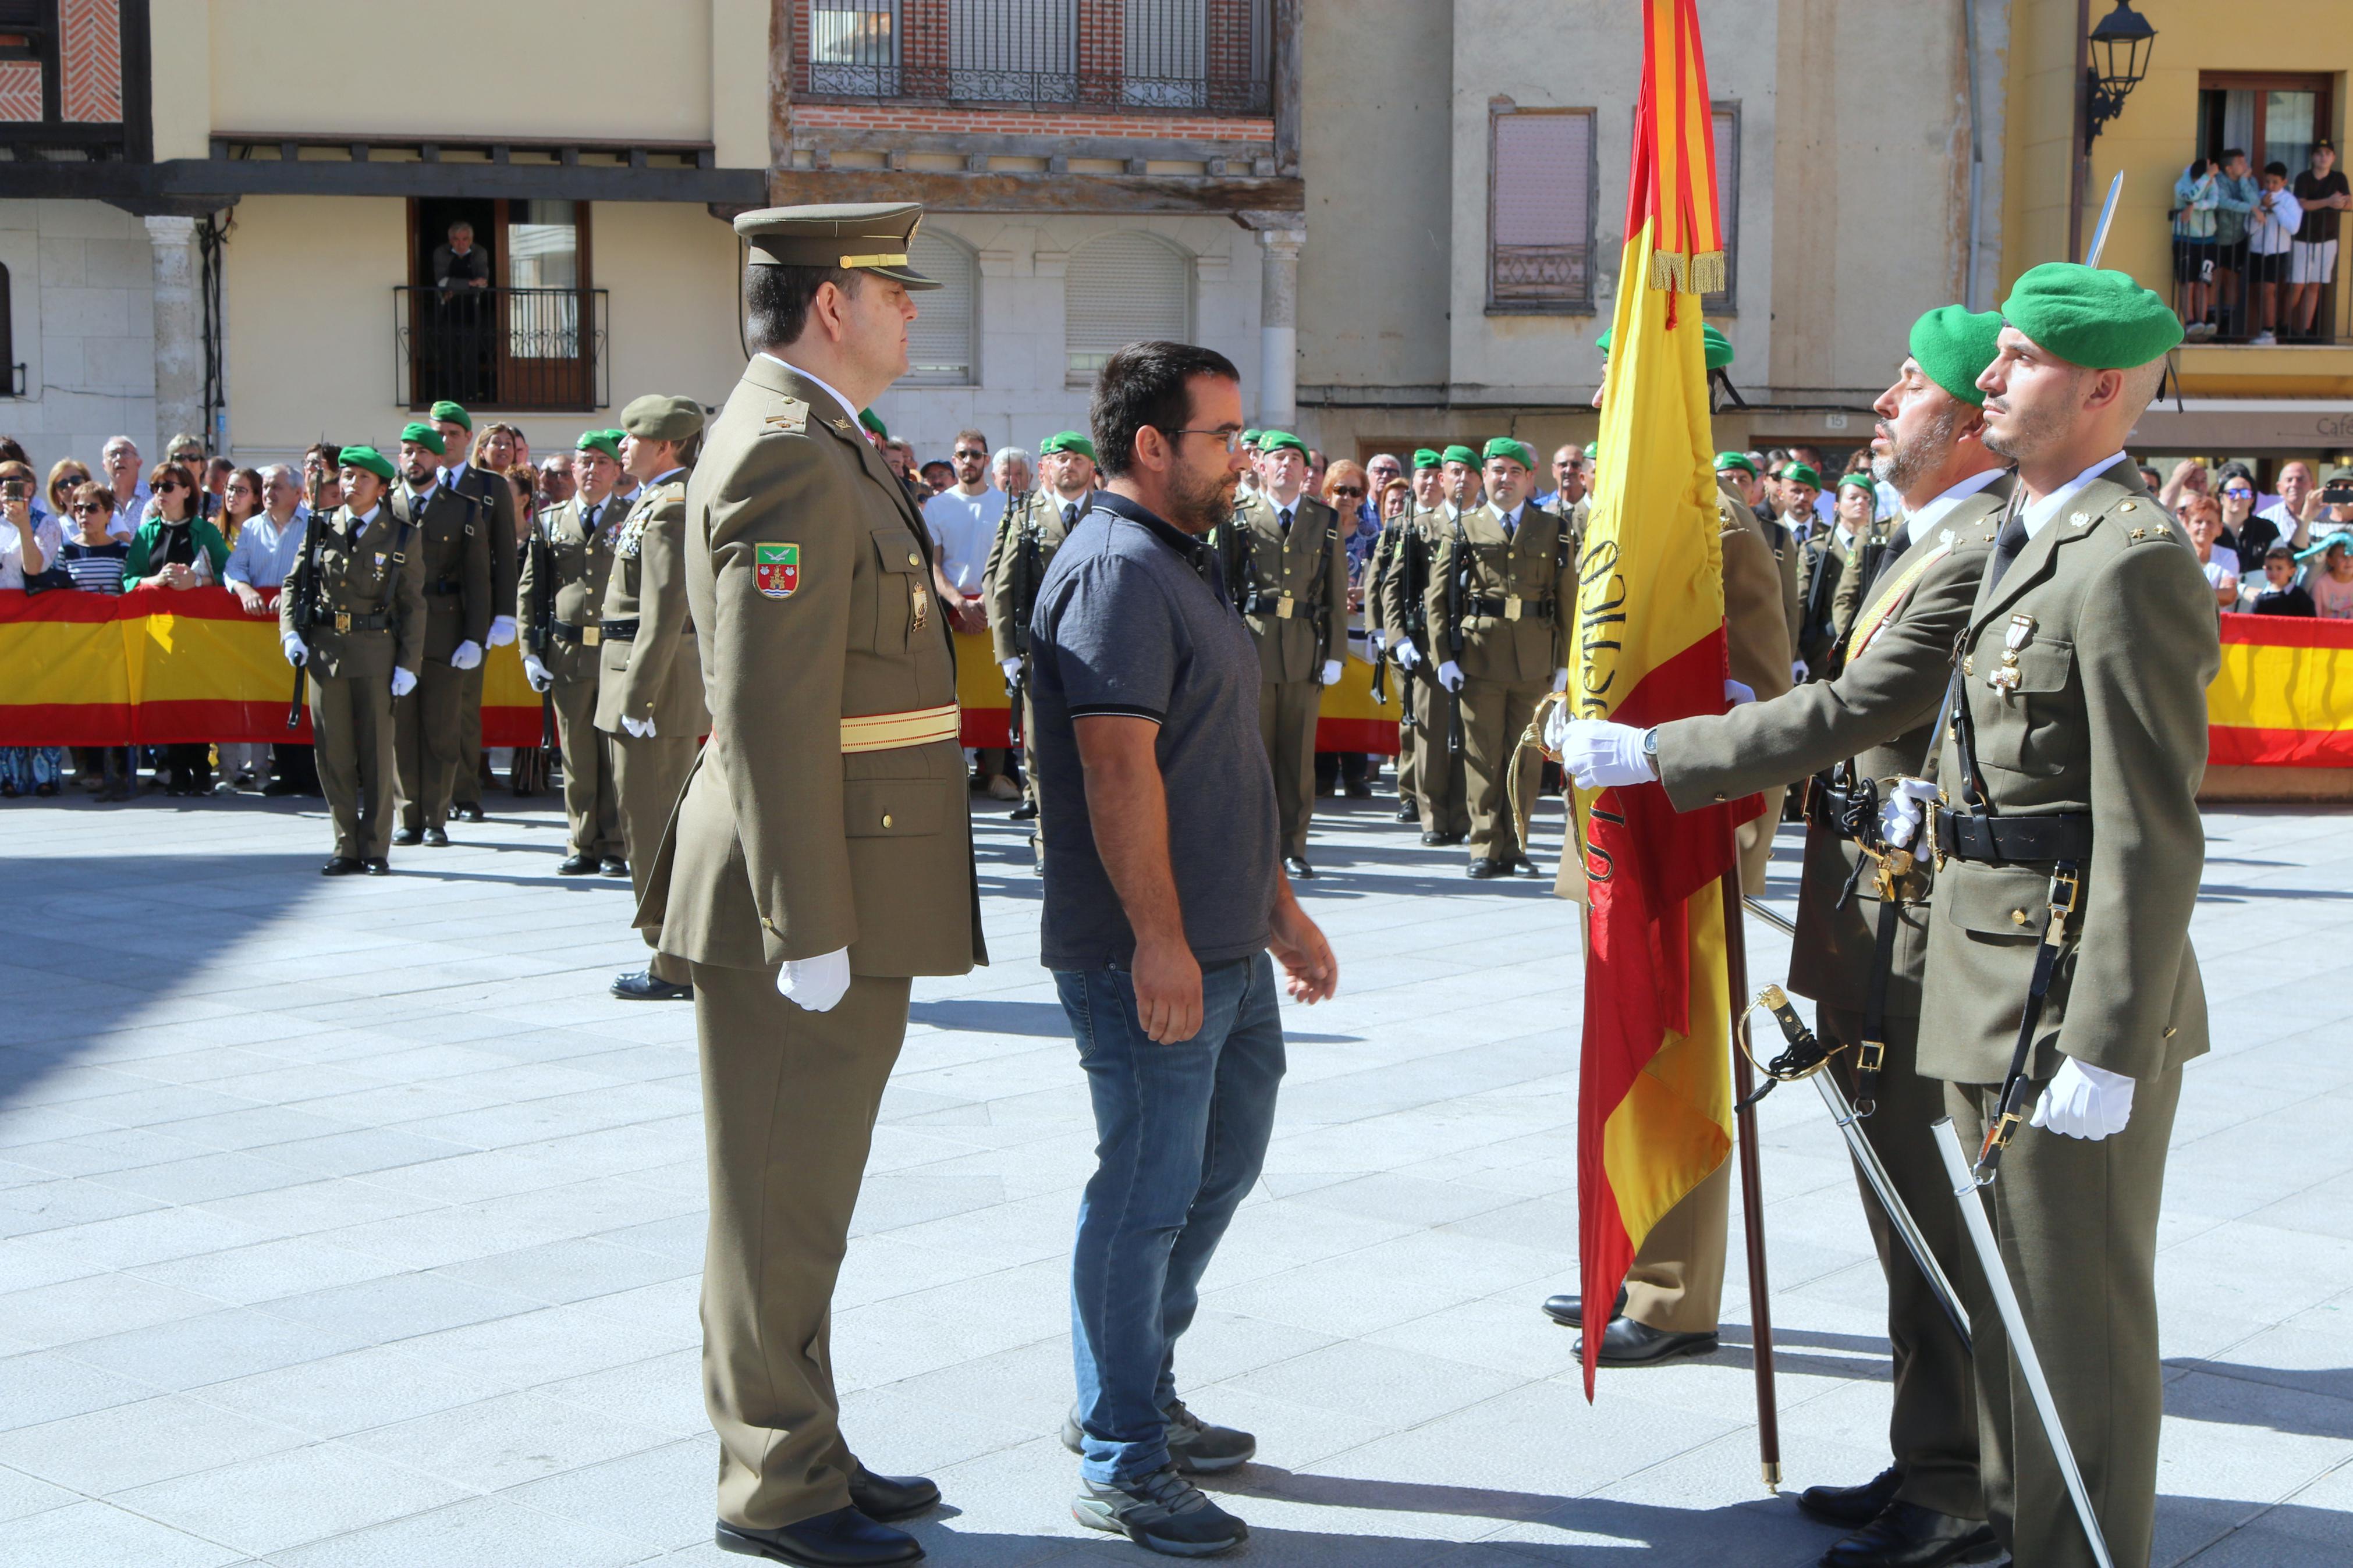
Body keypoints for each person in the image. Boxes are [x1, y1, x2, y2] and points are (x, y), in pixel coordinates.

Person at [1556, 303, 2013, 1568]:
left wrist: (1656, 754)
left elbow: (1847, 701)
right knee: (1901, 1222)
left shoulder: (1975, 543)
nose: (1879, 399)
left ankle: (1963, 1489)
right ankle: (1930, 1463)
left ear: (1973, 418)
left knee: (1933, 1218)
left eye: (1908, 383)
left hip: (1931, 940)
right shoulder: (1927, 540)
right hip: (1874, 926)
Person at [636, 202, 979, 1568]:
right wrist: (807, 926)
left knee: (807, 1193)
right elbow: (769, 711)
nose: (912, 312)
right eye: (894, 290)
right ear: (830, 304)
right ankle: (774, 1482)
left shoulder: (822, 438)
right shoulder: (784, 452)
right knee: (776, 1195)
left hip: (838, 867)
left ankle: (806, 1434)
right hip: (804, 889)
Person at [1921, 262, 2212, 1568]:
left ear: (2099, 389)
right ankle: (2018, 1533)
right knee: (2013, 1317)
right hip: (1989, 976)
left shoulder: (2127, 562)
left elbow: (2150, 830)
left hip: (2061, 1004)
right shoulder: (2028, 530)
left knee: (2074, 1333)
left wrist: (2102, 1042)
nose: (1988, 371)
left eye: (2019, 357)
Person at [1030, 338, 1335, 1558]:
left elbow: (1213, 764)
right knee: (1144, 1196)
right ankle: (1120, 1457)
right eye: (1222, 437)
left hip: (1224, 944)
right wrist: (1157, 940)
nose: (1242, 459)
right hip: (1143, 954)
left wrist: (1274, 910)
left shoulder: (1181, 561)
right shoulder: (1112, 570)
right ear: (1150, 446)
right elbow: (1116, 775)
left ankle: (1134, 1384)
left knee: (1217, 1170)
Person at [598, 394, 709, 1004]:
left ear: (666, 446)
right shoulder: (657, 499)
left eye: (632, 438)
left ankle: (674, 962)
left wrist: (639, 700)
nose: (622, 447)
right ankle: (674, 953)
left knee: (654, 827)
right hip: (638, 681)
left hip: (653, 692)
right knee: (648, 822)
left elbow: (665, 613)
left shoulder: (670, 506)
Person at [1424, 438, 1568, 879]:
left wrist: (1563, 664)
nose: (1504, 479)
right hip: (1479, 657)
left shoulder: (1552, 527)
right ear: (1482, 477)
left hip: (1533, 660)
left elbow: (1567, 599)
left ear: (1529, 478)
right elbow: (1437, 597)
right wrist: (1443, 656)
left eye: (1514, 471)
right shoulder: (1464, 526)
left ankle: (1517, 847)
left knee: (1525, 758)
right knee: (1482, 755)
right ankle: (1484, 845)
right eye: (1496, 471)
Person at [281, 447, 426, 874]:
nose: (352, 483)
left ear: (382, 487)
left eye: (363, 477)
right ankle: (345, 843)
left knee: (377, 753)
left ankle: (376, 845)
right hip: (327, 653)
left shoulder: (401, 536)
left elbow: (413, 606)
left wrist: (408, 663)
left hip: (376, 651)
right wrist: (291, 631)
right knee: (334, 753)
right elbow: (294, 584)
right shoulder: (321, 527)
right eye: (346, 475)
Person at [1218, 429, 1346, 878]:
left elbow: (1332, 590)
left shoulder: (1324, 519)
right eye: (1278, 459)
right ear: (1261, 466)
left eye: (1295, 459)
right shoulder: (1237, 516)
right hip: (1251, 645)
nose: (1286, 466)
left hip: (1303, 650)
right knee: (1251, 755)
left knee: (1296, 758)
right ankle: (1250, 845)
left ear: (1306, 471)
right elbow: (1223, 588)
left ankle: (1293, 846)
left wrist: (1335, 653)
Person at [520, 430, 629, 877]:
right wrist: (530, 650)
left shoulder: (632, 517)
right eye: (583, 462)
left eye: (601, 463)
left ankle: (615, 844)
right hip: (566, 652)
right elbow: (531, 588)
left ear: (617, 471)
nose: (591, 470)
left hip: (615, 651)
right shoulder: (549, 521)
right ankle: (581, 842)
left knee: (613, 754)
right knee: (577, 755)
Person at [982, 429, 1097, 831]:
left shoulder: (1106, 513)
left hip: (1097, 654)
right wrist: (1007, 653)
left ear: (1092, 468)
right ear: (1047, 468)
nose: (1070, 466)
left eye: (1078, 459)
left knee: (1094, 746)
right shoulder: (1025, 517)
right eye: (1062, 459)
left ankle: (1090, 835)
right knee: (1042, 748)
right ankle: (1049, 838)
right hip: (1042, 651)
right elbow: (1000, 586)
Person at [384, 424, 489, 847]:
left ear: (437, 459)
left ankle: (436, 816)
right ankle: (408, 815)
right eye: (407, 452)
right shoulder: (386, 506)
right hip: (395, 628)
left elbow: (478, 580)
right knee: (401, 726)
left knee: (442, 727)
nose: (414, 460)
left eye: (422, 453)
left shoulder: (463, 509)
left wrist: (474, 636)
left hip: (446, 626)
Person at [431, 402, 522, 824]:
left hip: (471, 612)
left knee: (463, 708)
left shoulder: (489, 486)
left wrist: (505, 613)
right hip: (424, 612)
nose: (445, 440)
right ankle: (425, 794)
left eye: (453, 432)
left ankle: (464, 793)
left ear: (469, 439)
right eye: (438, 432)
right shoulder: (411, 483)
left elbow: (504, 554)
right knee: (418, 705)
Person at [123, 460, 229, 796]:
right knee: (167, 701)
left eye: (168, 487)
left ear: (187, 491)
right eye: (156, 487)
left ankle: (201, 769)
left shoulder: (206, 531)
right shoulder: (146, 533)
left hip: (199, 635)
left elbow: (229, 576)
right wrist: (153, 581)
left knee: (197, 702)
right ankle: (176, 770)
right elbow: (128, 580)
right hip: (159, 634)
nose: (160, 494)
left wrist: (195, 580)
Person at [1382, 447, 1471, 845]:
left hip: (1474, 641)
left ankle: (1465, 816)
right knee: (1431, 732)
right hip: (1427, 643)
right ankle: (1434, 818)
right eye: (1454, 473)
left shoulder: (1482, 524)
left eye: (1470, 473)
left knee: (1469, 734)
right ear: (1441, 480)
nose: (1462, 481)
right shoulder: (1417, 526)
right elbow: (1392, 586)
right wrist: (1398, 638)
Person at [925, 427, 1016, 801]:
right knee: (954, 692)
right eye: (962, 454)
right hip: (951, 610)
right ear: (954, 458)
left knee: (997, 693)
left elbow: (1009, 562)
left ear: (987, 460)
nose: (968, 461)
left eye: (976, 455)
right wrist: (959, 604)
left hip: (993, 607)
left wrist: (986, 605)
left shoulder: (1005, 504)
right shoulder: (939, 506)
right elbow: (933, 565)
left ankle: (996, 774)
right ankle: (955, 772)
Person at [226, 465, 320, 797]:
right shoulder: (252, 527)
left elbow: (320, 570)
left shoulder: (314, 525)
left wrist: (292, 592)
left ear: (298, 493)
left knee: (302, 698)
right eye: (265, 486)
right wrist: (243, 588)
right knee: (273, 699)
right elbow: (234, 567)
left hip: (301, 628)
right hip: (260, 632)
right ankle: (288, 775)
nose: (268, 493)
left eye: (276, 486)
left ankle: (312, 776)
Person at [55, 482, 134, 799]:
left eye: (91, 508)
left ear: (109, 514)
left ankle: (123, 767)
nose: (83, 515)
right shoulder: (67, 551)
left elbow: (129, 591)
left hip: (116, 642)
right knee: (88, 705)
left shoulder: (122, 551)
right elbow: (60, 596)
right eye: (78, 508)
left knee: (117, 704)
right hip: (81, 644)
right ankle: (94, 768)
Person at [0, 464, 64, 799]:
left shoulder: (46, 523)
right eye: (1, 482)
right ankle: (7, 775)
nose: (7, 488)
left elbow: (35, 567)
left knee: (38, 696)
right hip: (2, 626)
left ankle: (44, 774)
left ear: (31, 487)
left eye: (15, 482)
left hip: (35, 622)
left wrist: (23, 525)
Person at [2289, 140, 2349, 340]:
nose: (2323, 157)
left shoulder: (2339, 178)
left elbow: (2348, 203)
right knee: (2297, 285)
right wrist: (2330, 202)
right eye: (2319, 153)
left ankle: (2303, 331)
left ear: (2334, 157)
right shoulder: (2304, 178)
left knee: (2315, 285)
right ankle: (2284, 324)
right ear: (2312, 157)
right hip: (2302, 239)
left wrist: (2338, 203)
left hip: (2328, 240)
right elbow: (2302, 204)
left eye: (2328, 153)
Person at [2245, 162, 2304, 346]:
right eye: (2268, 181)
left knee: (2268, 290)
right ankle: (2260, 330)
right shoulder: (2258, 198)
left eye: (2275, 183)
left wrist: (2275, 208)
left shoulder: (2289, 201)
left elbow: (2294, 228)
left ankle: (2269, 333)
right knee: (2256, 291)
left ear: (2284, 182)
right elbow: (2248, 228)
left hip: (2278, 252)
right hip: (2256, 250)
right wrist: (2261, 208)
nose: (2270, 186)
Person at [2210, 149, 2257, 337]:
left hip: (2238, 238)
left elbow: (2256, 201)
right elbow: (2222, 202)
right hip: (2217, 237)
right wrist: (2250, 209)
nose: (2245, 166)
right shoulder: (2219, 180)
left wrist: (2245, 182)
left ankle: (2227, 324)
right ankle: (2211, 319)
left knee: (2232, 279)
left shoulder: (2249, 179)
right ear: (2229, 168)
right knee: (2215, 277)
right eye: (2240, 163)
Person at [2171, 157, 2220, 336]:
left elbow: (2215, 202)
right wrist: (2207, 177)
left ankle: (2203, 321)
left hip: (2207, 240)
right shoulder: (2181, 185)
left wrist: (2194, 207)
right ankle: (2191, 322)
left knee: (2203, 282)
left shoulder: (2211, 181)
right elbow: (2191, 195)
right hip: (2185, 239)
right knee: (2187, 283)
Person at [100, 436, 145, 538]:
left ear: (139, 463)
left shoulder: (154, 497)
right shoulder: (99, 502)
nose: (119, 458)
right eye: (113, 454)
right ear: (104, 466)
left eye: (125, 453)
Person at [2251, 543, 2316, 615]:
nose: (2274, 573)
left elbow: (2310, 622)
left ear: (2292, 571)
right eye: (2269, 568)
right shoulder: (2261, 598)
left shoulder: (2300, 597)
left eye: (2279, 568)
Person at [2310, 534, 2353, 618]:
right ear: (2331, 560)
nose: (2349, 561)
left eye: (2352, 556)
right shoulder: (2321, 584)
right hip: (2327, 630)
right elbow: (2316, 617)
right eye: (2343, 557)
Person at [44, 458, 90, 525]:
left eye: (76, 480)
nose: (70, 486)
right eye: (63, 484)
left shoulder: (107, 521)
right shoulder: (56, 530)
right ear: (56, 495)